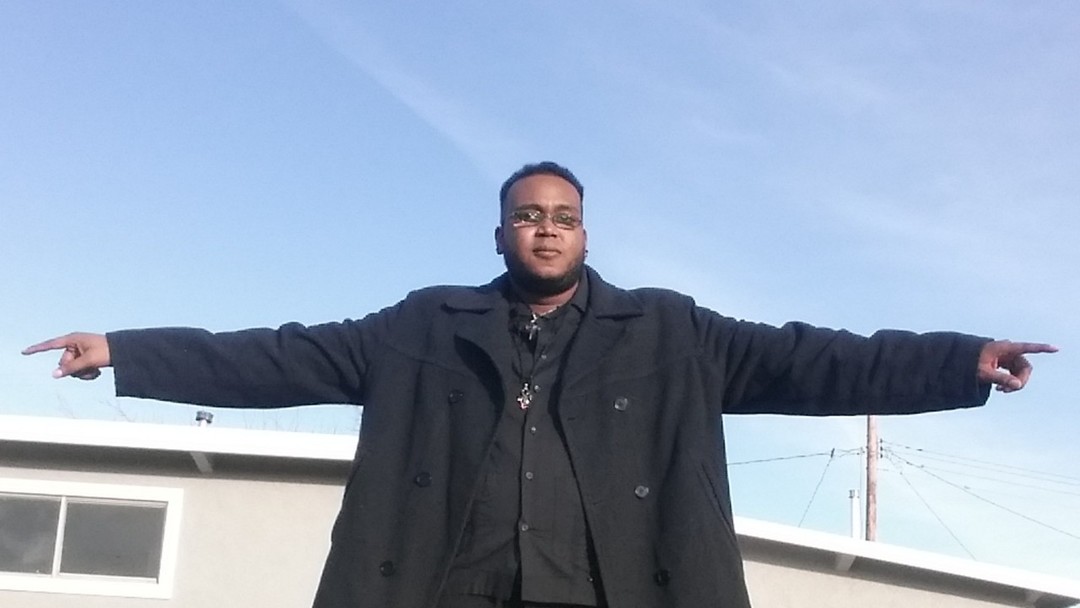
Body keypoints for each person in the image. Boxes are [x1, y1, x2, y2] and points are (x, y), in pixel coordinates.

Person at [23, 161, 1056, 608]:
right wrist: (128, 349)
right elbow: (281, 354)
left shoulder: (672, 331)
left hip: (610, 591)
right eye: (528, 215)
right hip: (449, 589)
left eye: (563, 216)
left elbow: (814, 356)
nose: (546, 228)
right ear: (501, 232)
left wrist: (955, 359)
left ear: (585, 234)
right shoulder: (422, 326)